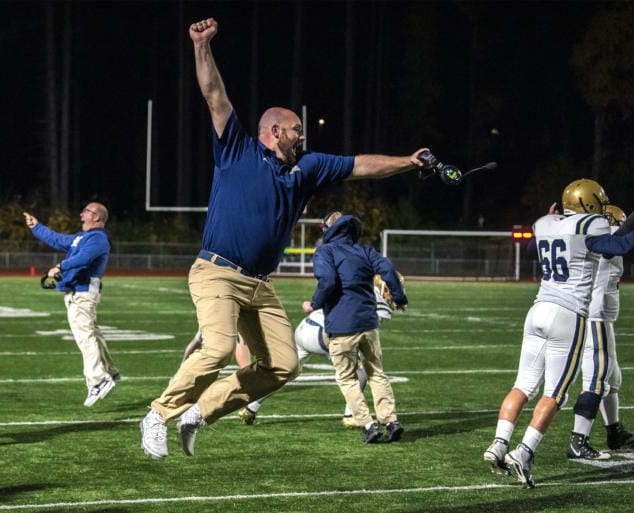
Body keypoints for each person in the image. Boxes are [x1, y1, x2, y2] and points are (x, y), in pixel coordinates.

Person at [139, 17, 428, 460]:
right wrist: (201, 47)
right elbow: (214, 95)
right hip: (217, 271)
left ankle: (202, 410)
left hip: (260, 283)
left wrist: (408, 162)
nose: (302, 135)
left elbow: (360, 165)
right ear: (275, 131)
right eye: (296, 129)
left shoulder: (307, 167)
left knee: (284, 364)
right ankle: (158, 415)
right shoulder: (236, 146)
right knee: (217, 348)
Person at [482, 179, 634, 488]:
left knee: (522, 385)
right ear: (589, 203)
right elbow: (619, 245)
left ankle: (499, 444)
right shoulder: (592, 224)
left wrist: (552, 221)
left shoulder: (545, 223)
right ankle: (524, 451)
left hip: (537, 310)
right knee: (555, 394)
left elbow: (532, 246)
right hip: (568, 315)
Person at [237, 272, 396, 427]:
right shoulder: (376, 300)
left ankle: (251, 407)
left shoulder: (354, 285)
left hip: (306, 327)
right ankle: (351, 415)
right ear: (384, 288)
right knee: (359, 370)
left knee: (286, 371)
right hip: (325, 332)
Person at [302, 212, 408, 444]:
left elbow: (328, 280)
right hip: (368, 322)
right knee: (376, 373)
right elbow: (388, 270)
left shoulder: (326, 251)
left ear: (327, 229)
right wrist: (399, 298)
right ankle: (391, 421)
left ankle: (368, 424)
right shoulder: (365, 250)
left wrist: (314, 303)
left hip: (341, 325)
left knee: (347, 378)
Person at [23, 203, 119, 407]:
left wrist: (60, 266)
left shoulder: (98, 238)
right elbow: (57, 239)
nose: (81, 213)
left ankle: (99, 380)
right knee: (93, 332)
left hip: (83, 292)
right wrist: (36, 227)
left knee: (85, 336)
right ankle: (109, 370)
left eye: (87, 211)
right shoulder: (81, 237)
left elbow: (84, 258)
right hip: (79, 291)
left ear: (98, 218)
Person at [569, 203, 634, 459]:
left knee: (612, 380)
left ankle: (614, 431)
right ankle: (578, 440)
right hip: (595, 317)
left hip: (601, 319)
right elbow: (630, 227)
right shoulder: (606, 239)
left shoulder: (592, 237)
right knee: (596, 379)